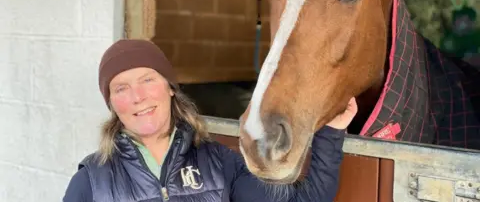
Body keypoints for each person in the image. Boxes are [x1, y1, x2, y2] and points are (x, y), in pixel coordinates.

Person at [62, 39, 358, 202]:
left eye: (147, 80)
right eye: (121, 89)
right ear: (112, 104)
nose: (137, 96)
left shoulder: (218, 164)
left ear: (170, 88)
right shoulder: (92, 181)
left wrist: (332, 131)